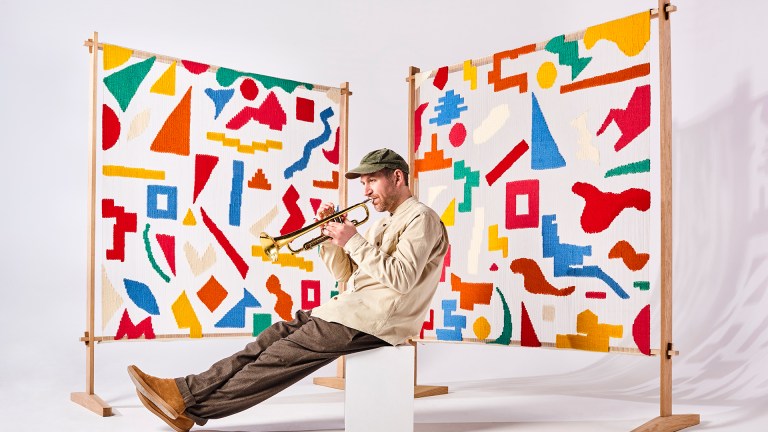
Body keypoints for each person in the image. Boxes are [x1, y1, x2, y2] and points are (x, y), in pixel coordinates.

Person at [127, 148, 450, 431]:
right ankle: (183, 393)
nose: (365, 191)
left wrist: (352, 239)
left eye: (372, 181)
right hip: (351, 309)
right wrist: (330, 240)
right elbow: (348, 275)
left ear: (397, 177)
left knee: (277, 360)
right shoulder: (384, 221)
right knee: (268, 341)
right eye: (362, 183)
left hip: (376, 320)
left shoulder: (421, 218)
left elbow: (402, 278)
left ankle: (189, 405)